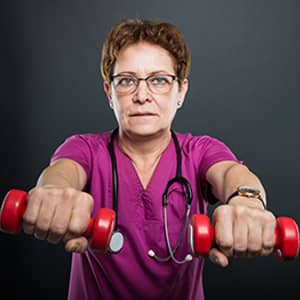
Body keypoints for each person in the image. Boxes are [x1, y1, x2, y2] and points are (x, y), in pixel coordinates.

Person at [21, 18, 276, 299]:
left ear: (181, 92)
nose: (142, 95)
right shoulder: (85, 149)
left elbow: (231, 173)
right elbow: (61, 172)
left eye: (159, 81)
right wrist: (53, 192)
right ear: (109, 92)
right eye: (127, 81)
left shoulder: (200, 151)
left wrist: (248, 201)